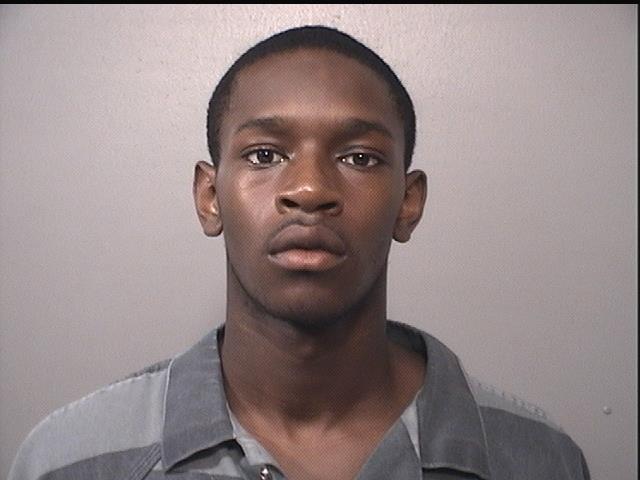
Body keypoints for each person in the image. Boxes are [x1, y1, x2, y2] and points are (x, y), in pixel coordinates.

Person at [9, 25, 590, 480]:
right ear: (210, 197)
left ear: (408, 203)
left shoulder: (540, 460)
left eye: (358, 157)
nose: (309, 189)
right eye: (264, 155)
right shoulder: (70, 460)